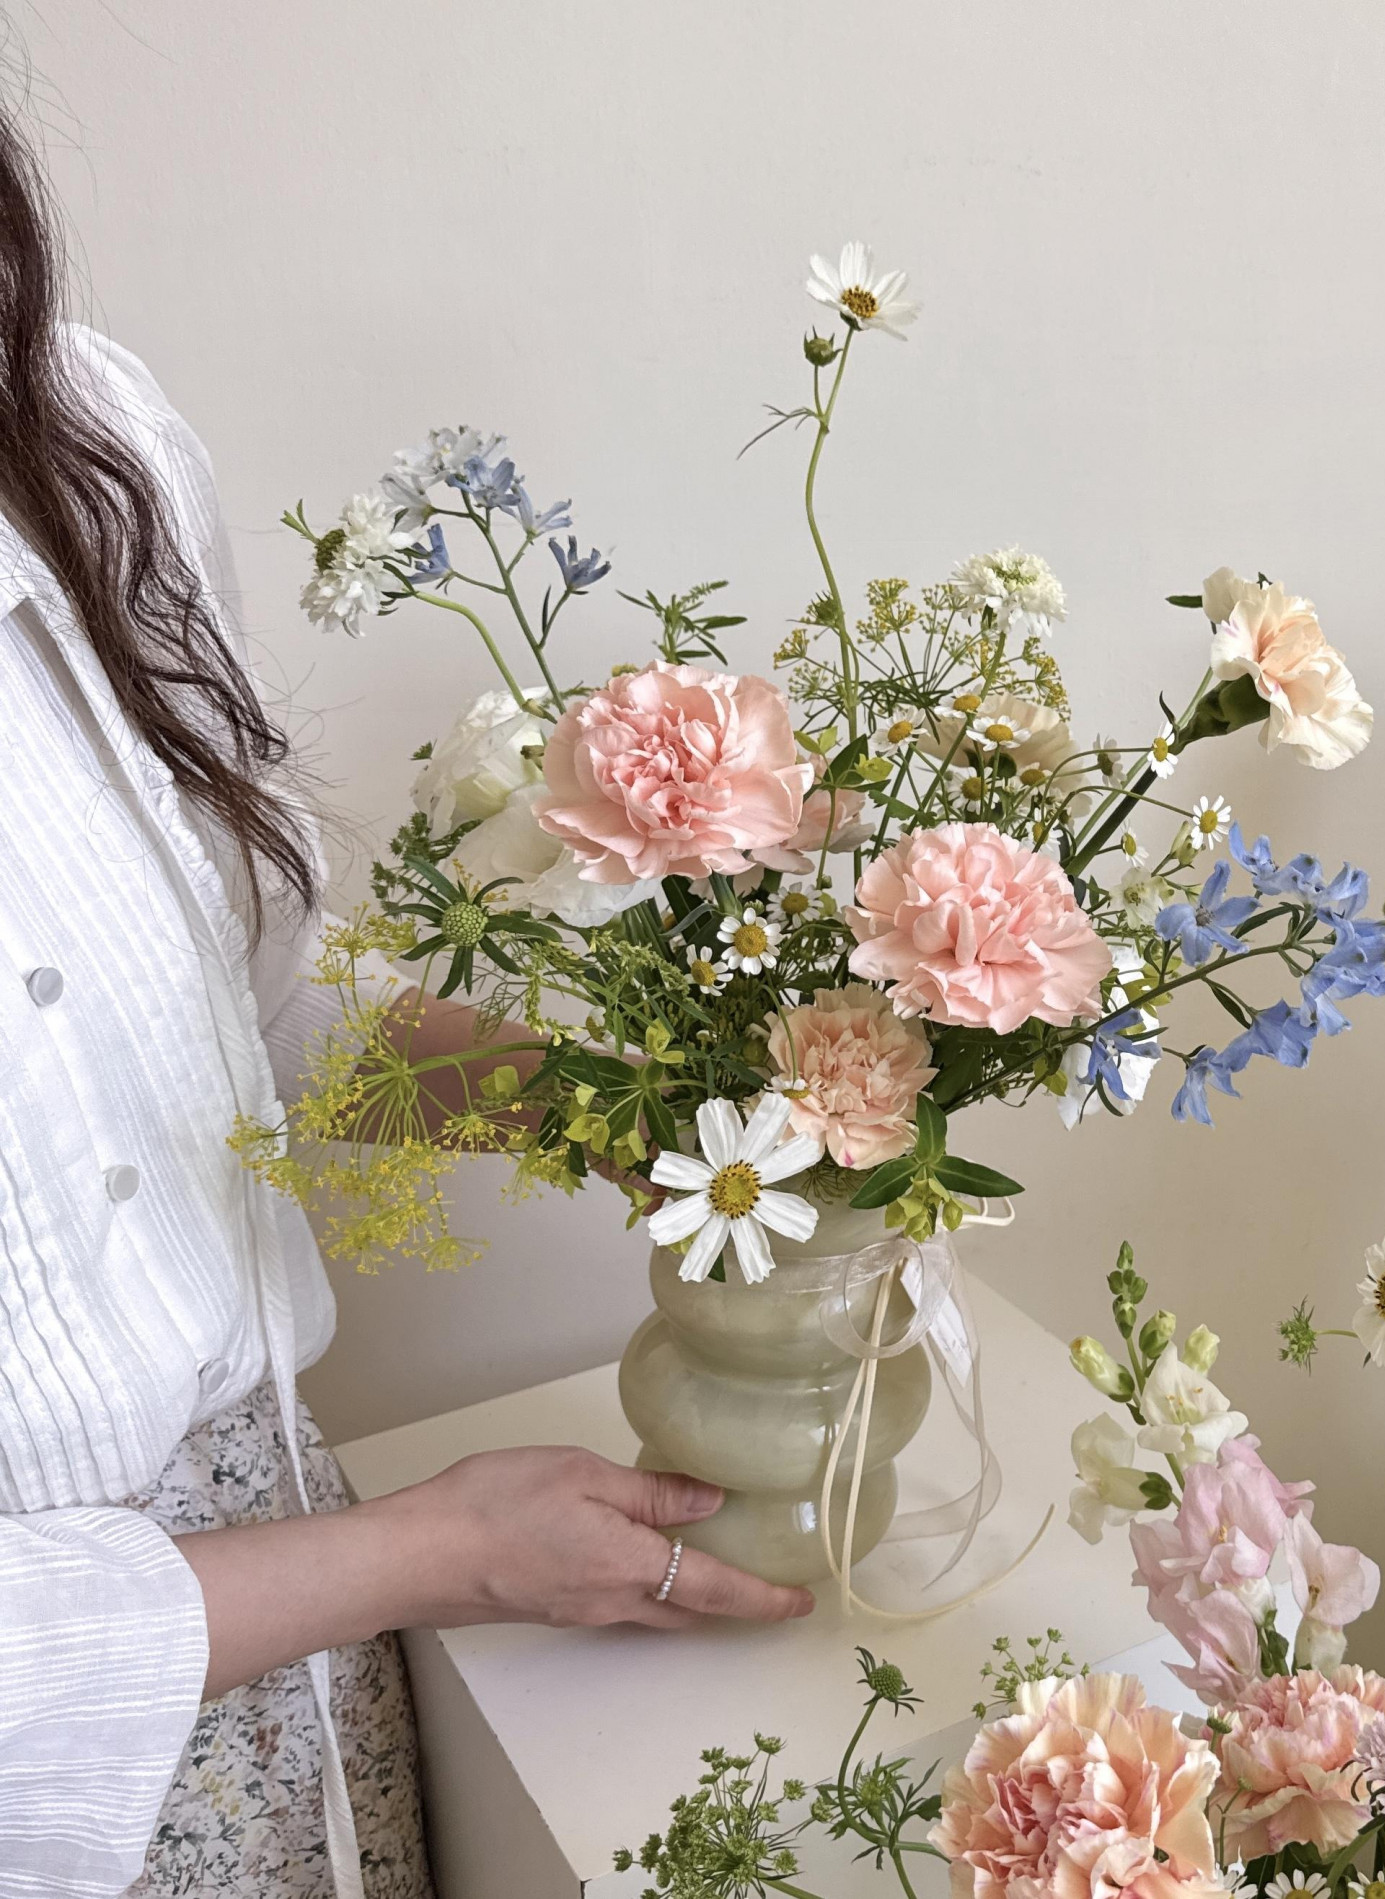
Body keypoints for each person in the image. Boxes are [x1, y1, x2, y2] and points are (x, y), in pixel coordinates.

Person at [0, 110, 813, 1899]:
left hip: (305, 1641)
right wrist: (438, 1554)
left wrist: (632, 1104)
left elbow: (228, 1027)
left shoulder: (76, 434)